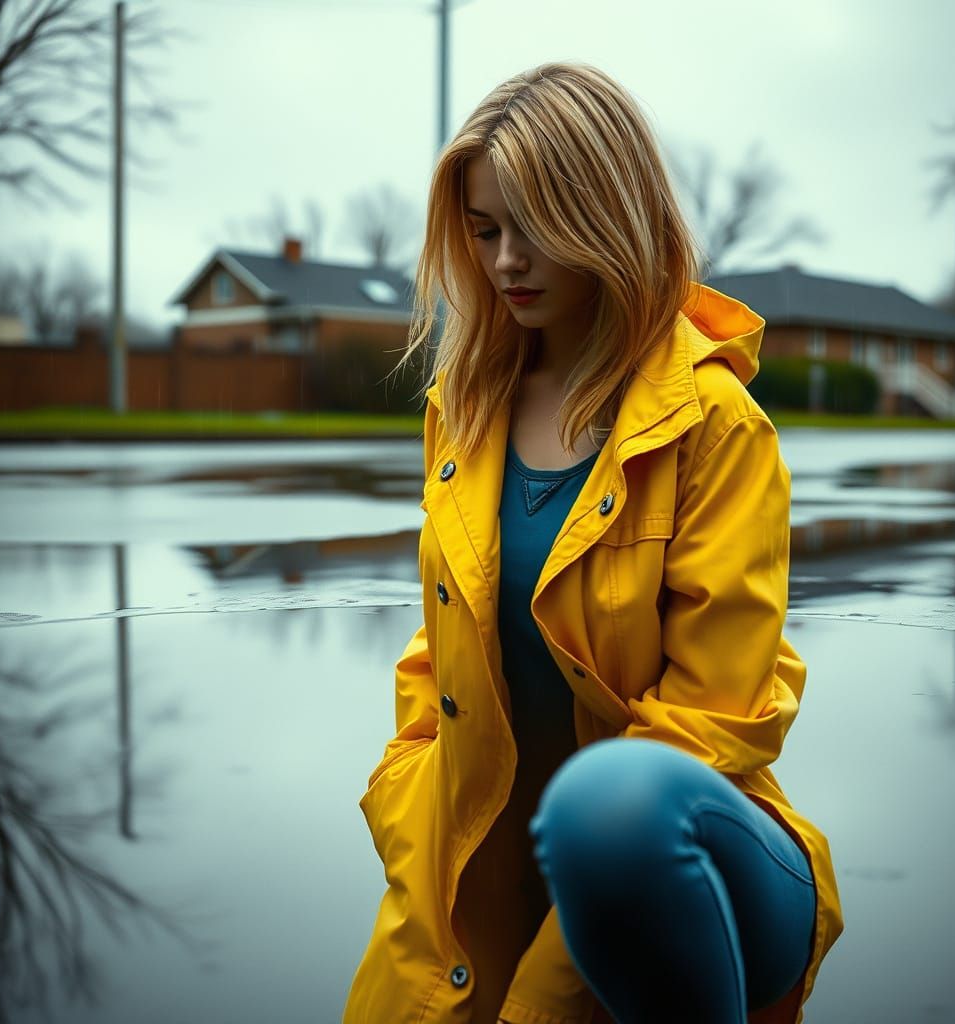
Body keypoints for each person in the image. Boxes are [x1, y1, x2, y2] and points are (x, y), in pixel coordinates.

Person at [344, 62, 843, 1024]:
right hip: (488, 877)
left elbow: (721, 718)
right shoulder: (466, 407)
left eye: (531, 226)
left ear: (605, 211)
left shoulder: (716, 422)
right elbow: (436, 654)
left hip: (688, 866)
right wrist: (406, 795)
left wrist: (543, 996)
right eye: (484, 232)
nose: (503, 263)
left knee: (612, 808)